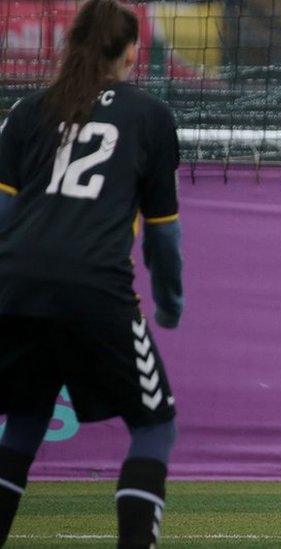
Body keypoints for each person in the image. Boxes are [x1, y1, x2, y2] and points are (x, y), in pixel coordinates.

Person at [0, 1, 183, 547]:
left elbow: (4, 215)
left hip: (17, 287)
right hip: (95, 289)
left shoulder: (28, 111)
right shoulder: (149, 116)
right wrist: (170, 301)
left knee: (26, 420)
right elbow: (163, 233)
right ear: (130, 51)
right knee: (155, 425)